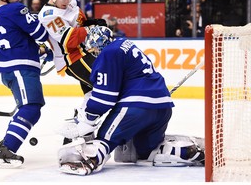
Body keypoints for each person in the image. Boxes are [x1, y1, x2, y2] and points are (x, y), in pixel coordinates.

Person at [56, 26, 203, 175]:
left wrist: (87, 118)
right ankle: (188, 151)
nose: (92, 52)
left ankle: (86, 159)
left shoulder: (108, 53)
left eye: (92, 49)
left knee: (104, 140)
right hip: (162, 107)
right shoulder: (123, 43)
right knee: (146, 151)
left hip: (137, 108)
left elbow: (105, 97)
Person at [0, 0, 52, 168]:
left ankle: (6, 143)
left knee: (32, 108)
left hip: (14, 68)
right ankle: (6, 149)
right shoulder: (15, 9)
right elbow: (41, 34)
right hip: (20, 68)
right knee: (31, 107)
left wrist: (40, 50)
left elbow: (20, 39)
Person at [38, 0, 107, 111]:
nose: (68, 0)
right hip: (72, 59)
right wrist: (92, 29)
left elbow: (79, 21)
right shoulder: (48, 15)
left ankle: (81, 119)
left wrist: (90, 22)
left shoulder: (70, 0)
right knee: (105, 85)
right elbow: (70, 40)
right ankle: (84, 120)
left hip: (85, 51)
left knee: (92, 91)